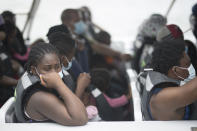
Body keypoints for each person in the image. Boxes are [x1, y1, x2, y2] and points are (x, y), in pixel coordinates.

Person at [14, 42, 88, 125]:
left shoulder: (46, 83)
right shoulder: (38, 97)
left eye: (57, 67)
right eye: (47, 69)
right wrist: (59, 84)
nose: (54, 74)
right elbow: (80, 119)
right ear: (34, 70)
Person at [141, 39, 197, 120]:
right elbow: (191, 91)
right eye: (187, 65)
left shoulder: (158, 74)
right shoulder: (161, 99)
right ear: (174, 69)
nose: (192, 68)